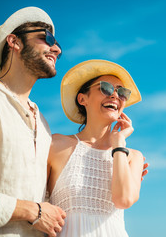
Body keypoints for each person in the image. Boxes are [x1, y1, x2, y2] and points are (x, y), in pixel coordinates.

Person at [0, 7, 66, 237]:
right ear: (14, 41)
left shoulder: (42, 122)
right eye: (47, 37)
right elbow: (39, 210)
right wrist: (32, 211)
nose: (57, 48)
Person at [46, 59, 144, 237]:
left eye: (122, 92)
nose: (115, 96)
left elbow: (123, 200)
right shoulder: (56, 145)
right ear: (82, 99)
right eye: (105, 88)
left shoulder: (133, 157)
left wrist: (119, 143)